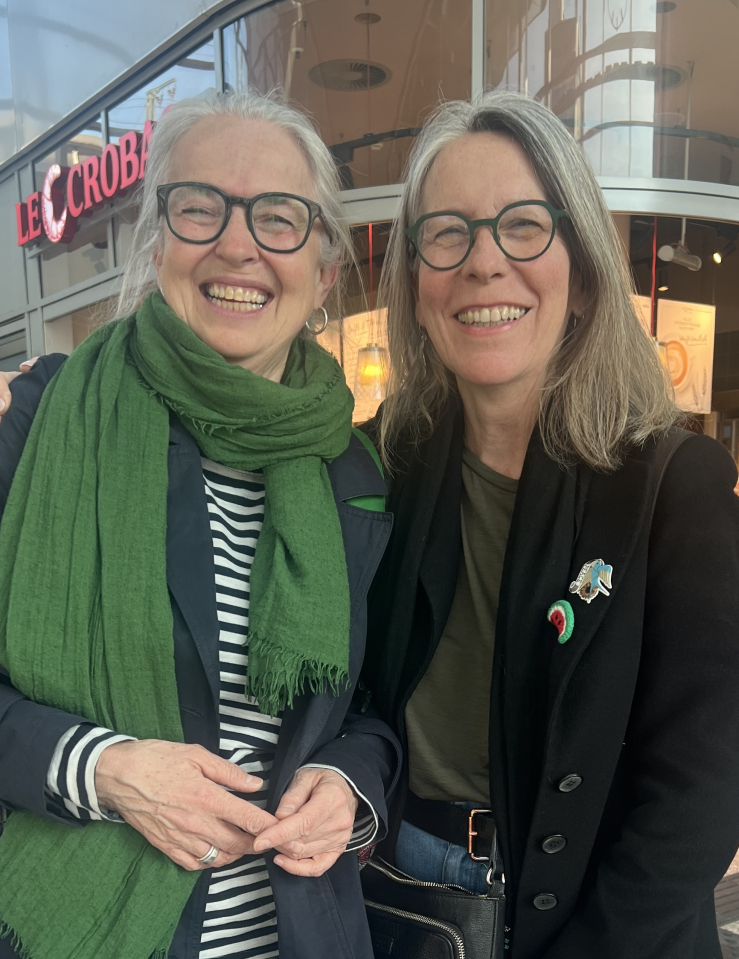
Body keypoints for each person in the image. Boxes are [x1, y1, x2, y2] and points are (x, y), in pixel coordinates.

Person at [0, 91, 398, 959]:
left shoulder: (352, 469)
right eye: (199, 206)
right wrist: (102, 768)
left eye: (278, 217)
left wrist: (346, 779)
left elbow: (367, 710)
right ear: (156, 241)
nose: (237, 244)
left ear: (325, 270)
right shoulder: (43, 422)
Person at [360, 91, 739, 959]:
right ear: (414, 281)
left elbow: (700, 792)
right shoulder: (379, 466)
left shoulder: (673, 485)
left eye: (523, 226)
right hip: (402, 900)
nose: (483, 263)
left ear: (582, 271)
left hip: (606, 923)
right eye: (446, 232)